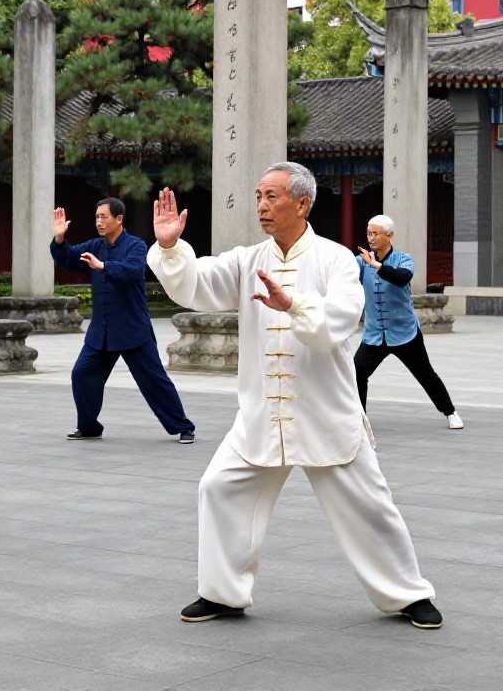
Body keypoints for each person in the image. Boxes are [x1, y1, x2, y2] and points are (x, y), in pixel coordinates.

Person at [147, 162, 442, 628]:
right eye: (259, 195)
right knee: (219, 488)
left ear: (302, 203)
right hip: (262, 414)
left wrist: (296, 304)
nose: (262, 205)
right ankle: (223, 593)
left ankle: (407, 594)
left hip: (326, 411)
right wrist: (170, 247)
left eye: (273, 196)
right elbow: (197, 285)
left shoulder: (336, 260)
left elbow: (337, 324)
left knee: (370, 505)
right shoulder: (248, 260)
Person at [50, 198, 196, 443]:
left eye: (104, 217)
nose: (99, 221)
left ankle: (183, 426)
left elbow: (131, 270)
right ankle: (88, 427)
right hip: (102, 332)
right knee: (81, 374)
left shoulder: (136, 245)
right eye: (97, 217)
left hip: (132, 329)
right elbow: (67, 259)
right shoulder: (94, 246)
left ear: (119, 219)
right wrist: (59, 239)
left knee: (154, 380)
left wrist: (103, 266)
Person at [353, 214, 461, 428]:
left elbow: (401, 277)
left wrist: (375, 265)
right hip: (375, 333)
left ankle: (450, 412)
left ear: (389, 235)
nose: (371, 238)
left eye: (375, 233)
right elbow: (343, 280)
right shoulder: (360, 263)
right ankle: (359, 419)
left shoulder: (403, 259)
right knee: (357, 372)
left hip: (405, 333)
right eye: (368, 233)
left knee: (426, 375)